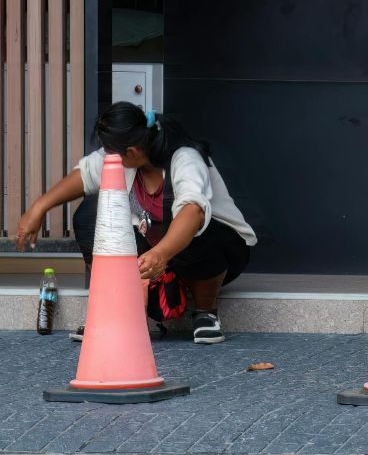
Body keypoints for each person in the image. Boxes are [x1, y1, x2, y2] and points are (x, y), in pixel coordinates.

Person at [13, 102, 256, 345]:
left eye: (110, 151)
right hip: (157, 253)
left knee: (198, 226)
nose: (107, 156)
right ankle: (115, 311)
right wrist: (39, 207)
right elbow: (85, 174)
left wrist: (161, 253)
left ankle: (206, 312)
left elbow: (192, 211)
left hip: (210, 252)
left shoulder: (185, 158)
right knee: (90, 214)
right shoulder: (125, 158)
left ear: (133, 151)